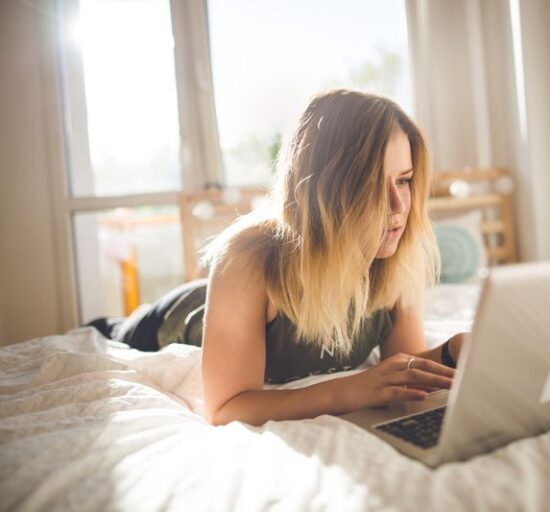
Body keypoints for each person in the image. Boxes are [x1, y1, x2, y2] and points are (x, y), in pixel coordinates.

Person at [87, 89, 465, 427]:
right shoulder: (248, 256)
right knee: (106, 331)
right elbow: (226, 407)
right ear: (326, 191)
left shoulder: (395, 254)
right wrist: (349, 390)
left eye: (403, 180)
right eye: (372, 186)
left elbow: (404, 365)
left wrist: (452, 353)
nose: (399, 206)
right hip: (172, 319)